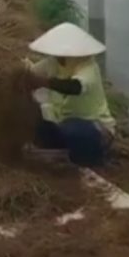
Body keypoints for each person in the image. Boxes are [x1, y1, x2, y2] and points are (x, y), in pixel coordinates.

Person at [26, 22, 113, 168]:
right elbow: (30, 74)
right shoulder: (52, 63)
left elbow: (75, 87)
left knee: (74, 129)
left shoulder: (88, 67)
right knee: (36, 125)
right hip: (62, 125)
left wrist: (44, 82)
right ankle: (63, 157)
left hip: (94, 128)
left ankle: (92, 164)